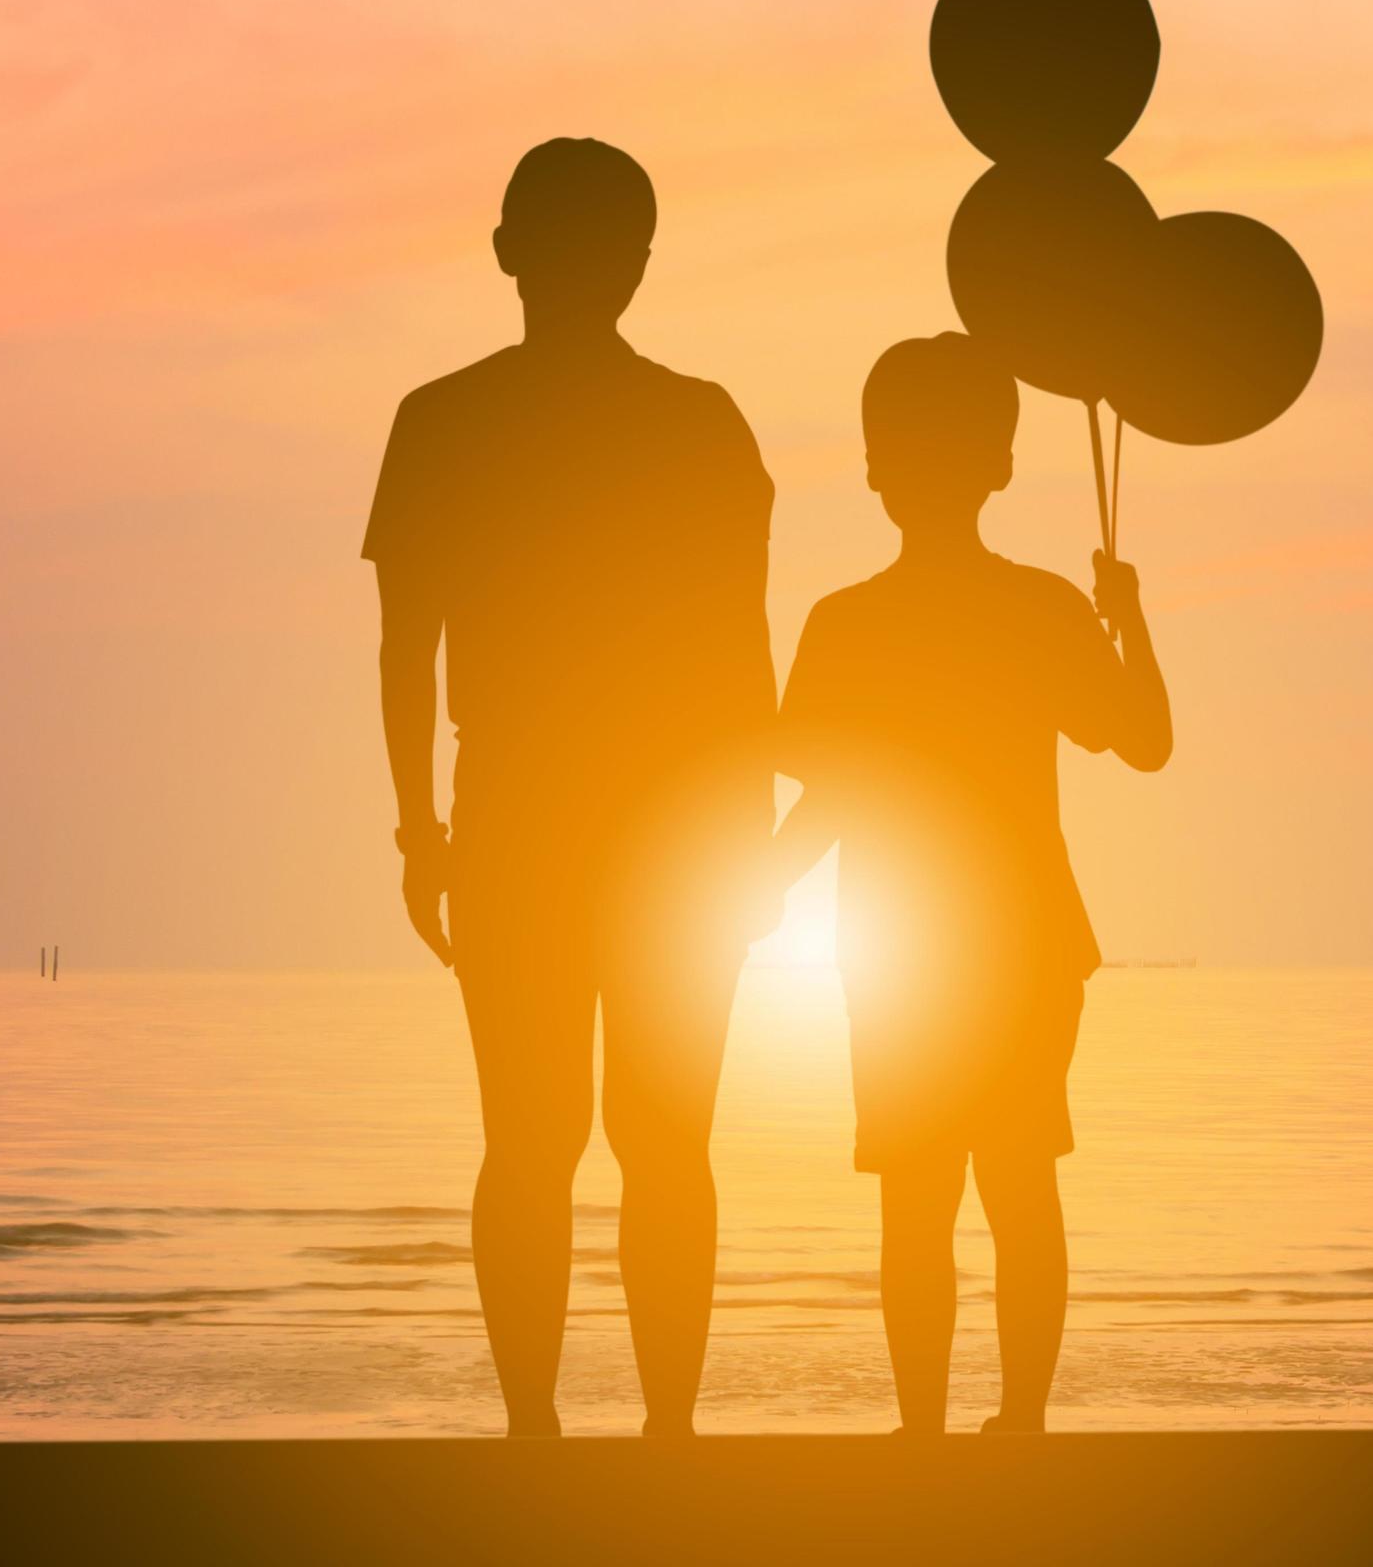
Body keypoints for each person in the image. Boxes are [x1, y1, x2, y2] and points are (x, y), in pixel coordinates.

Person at [364, 138, 776, 1437]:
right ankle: (666, 1436)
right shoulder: (703, 423)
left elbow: (404, 651)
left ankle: (534, 1432)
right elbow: (741, 655)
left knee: (529, 1143)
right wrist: (747, 835)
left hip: (521, 816)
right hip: (670, 825)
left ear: (506, 252)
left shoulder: (440, 421)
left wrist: (421, 830)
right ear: (637, 266)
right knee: (665, 1148)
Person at [771, 333, 1172, 1433]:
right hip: (1024, 942)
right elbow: (1148, 738)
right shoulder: (1040, 606)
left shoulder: (845, 622)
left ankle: (923, 1433)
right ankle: (1022, 1426)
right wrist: (1126, 612)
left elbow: (831, 790)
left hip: (906, 952)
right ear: (999, 464)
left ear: (872, 468)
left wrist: (760, 879)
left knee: (918, 1198)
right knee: (1019, 1185)